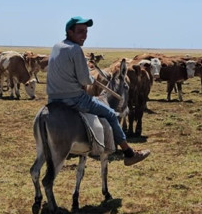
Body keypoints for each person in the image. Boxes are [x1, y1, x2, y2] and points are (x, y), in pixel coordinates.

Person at [46, 16, 151, 166]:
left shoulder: (56, 46)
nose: (84, 35)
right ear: (69, 32)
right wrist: (90, 77)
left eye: (86, 32)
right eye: (80, 31)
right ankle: (129, 153)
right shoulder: (75, 49)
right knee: (111, 114)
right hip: (73, 99)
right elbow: (85, 80)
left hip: (52, 98)